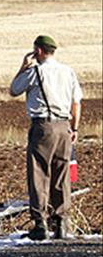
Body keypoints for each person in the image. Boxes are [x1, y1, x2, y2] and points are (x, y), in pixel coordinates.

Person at [9, 35, 82, 240]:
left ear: (38, 51)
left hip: (43, 127)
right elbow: (76, 103)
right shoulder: (68, 72)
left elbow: (14, 90)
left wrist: (23, 66)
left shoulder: (35, 72)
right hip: (65, 127)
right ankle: (61, 223)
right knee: (61, 174)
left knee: (39, 173)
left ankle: (40, 223)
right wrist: (74, 128)